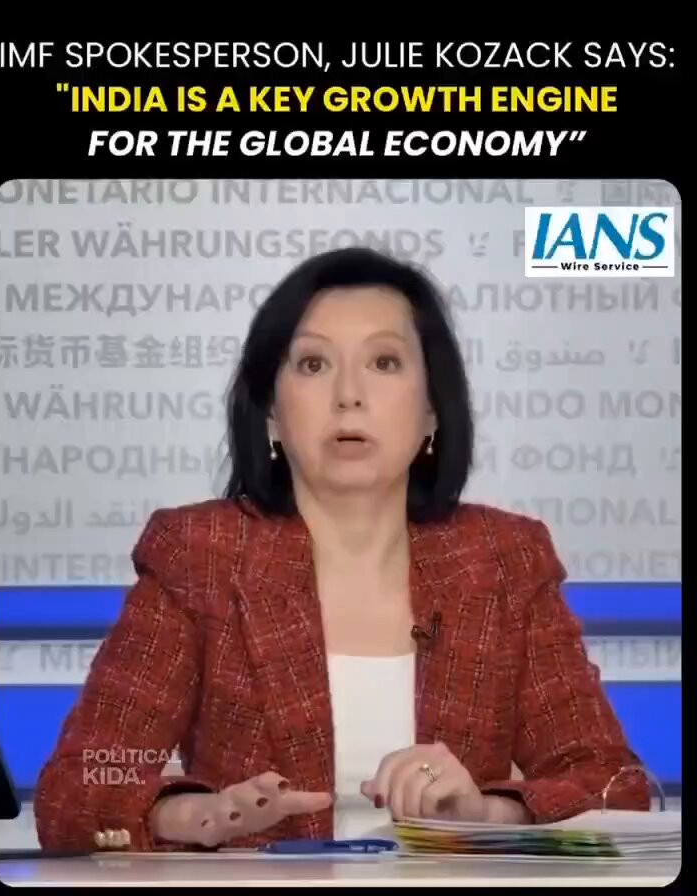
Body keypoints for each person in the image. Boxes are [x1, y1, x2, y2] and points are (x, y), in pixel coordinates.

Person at [33, 246, 650, 853]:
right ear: (271, 412)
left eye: (384, 362)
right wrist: (196, 815)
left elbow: (613, 784)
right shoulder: (201, 556)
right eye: (313, 364)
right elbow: (74, 790)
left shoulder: (504, 559)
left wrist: (486, 813)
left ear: (432, 410)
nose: (349, 395)